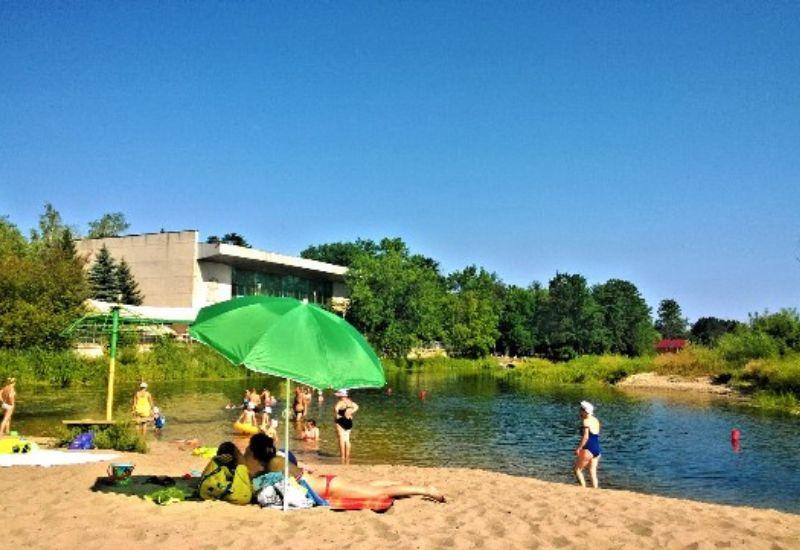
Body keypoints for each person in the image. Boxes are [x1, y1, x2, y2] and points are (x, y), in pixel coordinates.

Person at [248, 434, 444, 502]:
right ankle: (401, 484)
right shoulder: (277, 459)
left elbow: (258, 480)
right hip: (326, 483)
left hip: (329, 487)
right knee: (365, 485)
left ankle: (426, 490)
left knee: (378, 492)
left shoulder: (273, 464)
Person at [574, 400, 602, 488]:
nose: (579, 412)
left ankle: (583, 489)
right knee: (592, 472)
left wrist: (579, 448)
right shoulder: (596, 420)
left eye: (581, 410)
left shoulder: (585, 422)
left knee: (578, 470)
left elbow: (585, 437)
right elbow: (596, 434)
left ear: (585, 411)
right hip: (597, 448)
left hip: (588, 448)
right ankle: (596, 491)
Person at [334, 389, 358, 465]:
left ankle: (342, 457)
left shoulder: (340, 402)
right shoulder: (350, 402)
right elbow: (357, 406)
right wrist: (351, 412)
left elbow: (336, 409)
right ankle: (347, 457)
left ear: (341, 395)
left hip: (341, 420)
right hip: (349, 421)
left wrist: (337, 415)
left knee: (341, 438)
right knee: (347, 439)